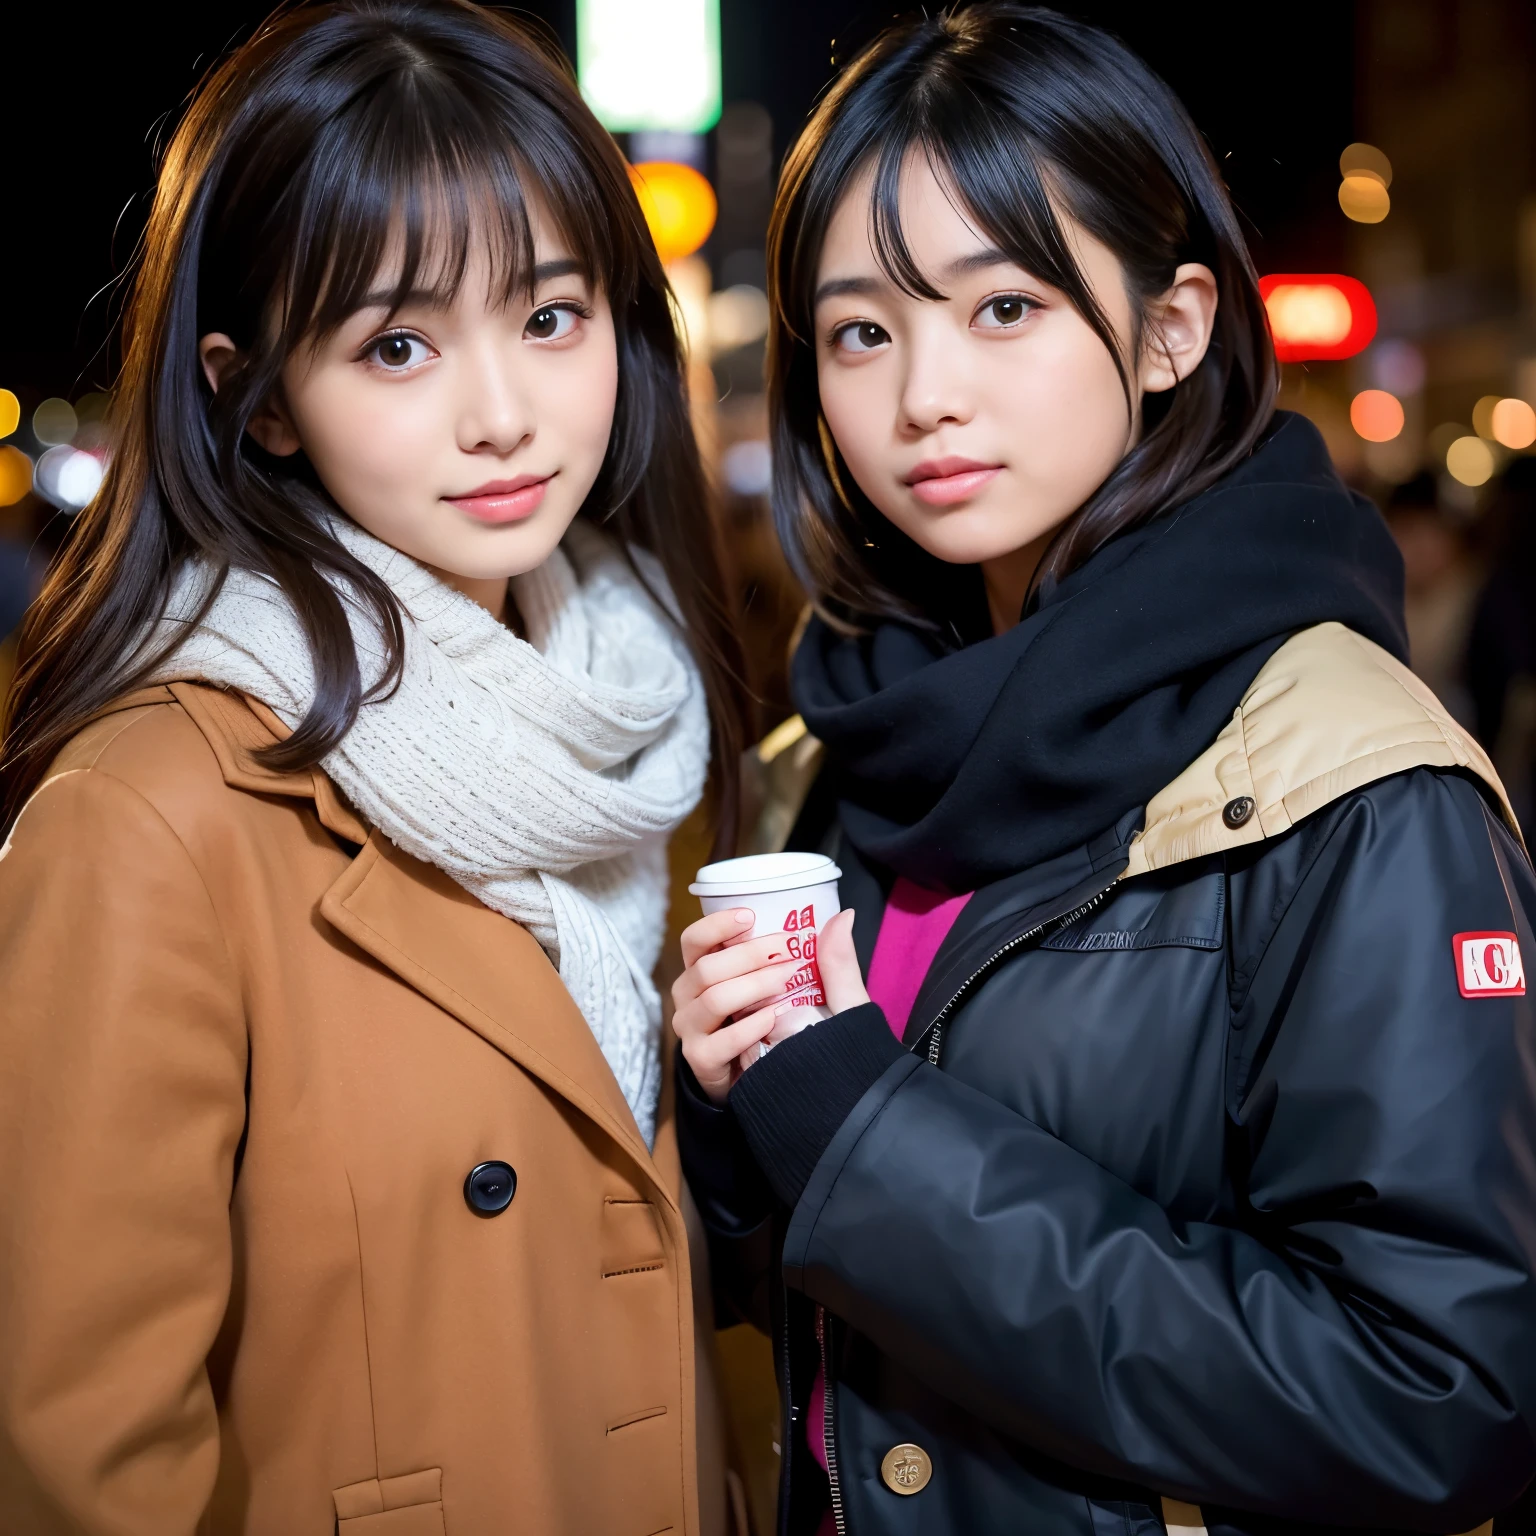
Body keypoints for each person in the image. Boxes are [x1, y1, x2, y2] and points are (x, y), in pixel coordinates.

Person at [669, 8, 1536, 1535]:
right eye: (864, 330)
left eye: (1003, 308)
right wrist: (746, 1148)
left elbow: (1438, 1397)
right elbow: (829, 1337)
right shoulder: (824, 759)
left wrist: (868, 1142)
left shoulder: (1358, 779)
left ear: (1171, 325)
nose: (924, 393)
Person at [0, 3, 749, 1531]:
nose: (503, 416)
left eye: (551, 317)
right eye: (397, 345)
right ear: (259, 397)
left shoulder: (645, 733)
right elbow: (80, 1454)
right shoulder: (153, 813)